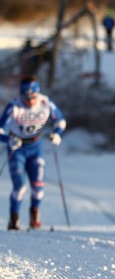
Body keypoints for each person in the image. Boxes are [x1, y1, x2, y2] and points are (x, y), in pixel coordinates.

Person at [0, 75, 66, 230]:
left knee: (38, 186)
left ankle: (35, 214)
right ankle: (14, 218)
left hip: (36, 148)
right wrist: (8, 139)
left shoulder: (45, 103)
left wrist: (57, 133)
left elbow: (60, 120)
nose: (30, 101)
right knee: (20, 187)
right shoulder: (14, 106)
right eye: (26, 97)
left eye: (33, 97)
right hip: (17, 149)